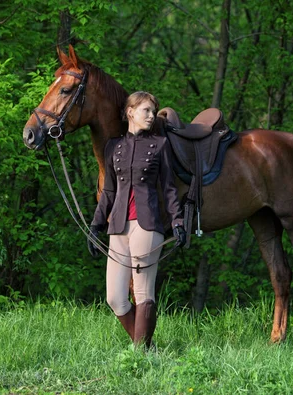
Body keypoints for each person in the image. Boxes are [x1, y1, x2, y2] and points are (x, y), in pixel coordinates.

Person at [87, 91, 186, 348]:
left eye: (153, 111)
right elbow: (109, 191)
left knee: (143, 294)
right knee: (115, 298)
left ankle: (139, 357)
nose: (152, 116)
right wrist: (96, 226)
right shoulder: (114, 147)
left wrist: (178, 221)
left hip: (147, 225)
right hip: (117, 227)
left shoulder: (160, 146)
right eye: (147, 110)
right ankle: (148, 349)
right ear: (130, 112)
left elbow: (169, 189)